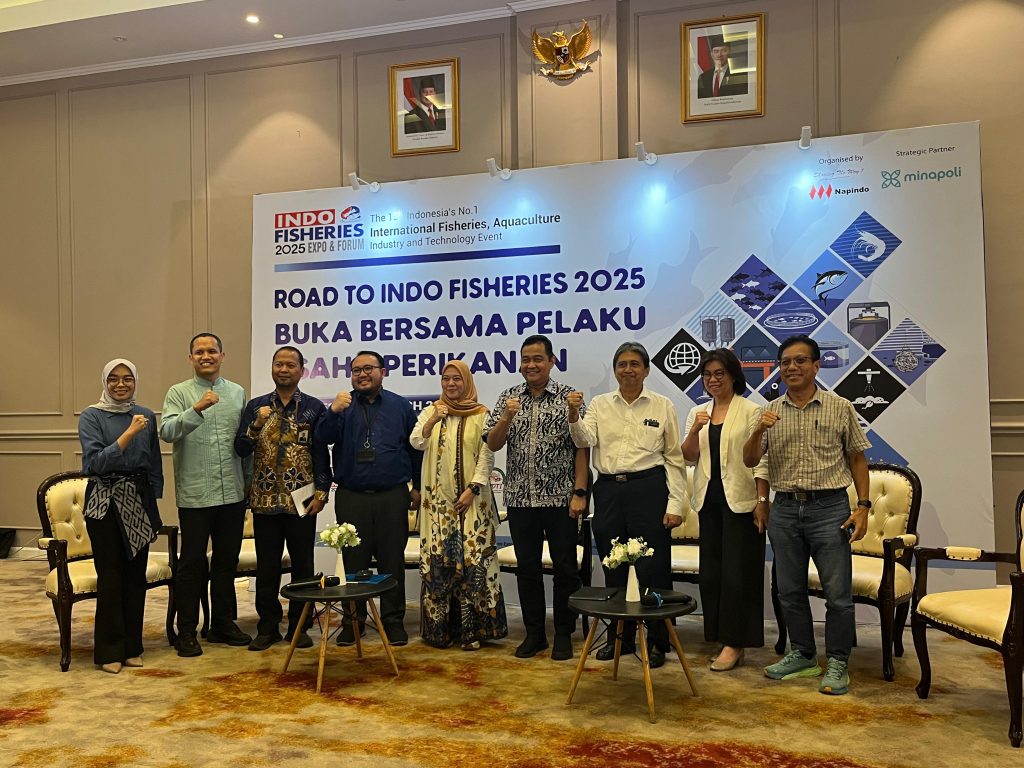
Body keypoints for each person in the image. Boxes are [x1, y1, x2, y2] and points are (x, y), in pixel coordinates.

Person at [742, 334, 871, 696]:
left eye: (800, 361)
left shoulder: (839, 407)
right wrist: (759, 429)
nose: (792, 367)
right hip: (784, 508)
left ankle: (838, 661)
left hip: (829, 509)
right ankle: (802, 654)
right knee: (789, 590)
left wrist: (863, 506)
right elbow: (750, 460)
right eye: (785, 362)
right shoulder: (769, 411)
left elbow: (857, 458)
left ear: (816, 366)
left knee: (838, 594)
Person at [568, 341, 685, 669]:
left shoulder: (662, 405)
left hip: (649, 490)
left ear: (646, 370)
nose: (628, 370)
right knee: (614, 567)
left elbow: (674, 458)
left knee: (653, 569)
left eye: (635, 364)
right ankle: (620, 637)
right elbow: (584, 439)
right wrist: (574, 415)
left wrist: (676, 504)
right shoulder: (600, 404)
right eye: (622, 364)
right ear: (615, 370)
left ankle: (659, 640)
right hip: (608, 492)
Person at [485, 334, 589, 661]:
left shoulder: (569, 398)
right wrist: (506, 417)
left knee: (565, 569)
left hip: (560, 499)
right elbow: (493, 444)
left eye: (538, 359)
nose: (531, 365)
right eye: (526, 359)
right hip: (520, 499)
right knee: (527, 569)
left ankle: (563, 633)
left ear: (551, 361)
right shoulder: (508, 398)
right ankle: (534, 634)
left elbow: (582, 447)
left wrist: (580, 492)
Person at [315, 350, 421, 646]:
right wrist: (332, 411)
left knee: (392, 560)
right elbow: (322, 438)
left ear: (382, 372)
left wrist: (417, 486)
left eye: (368, 369)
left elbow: (415, 449)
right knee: (353, 562)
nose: (362, 374)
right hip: (352, 496)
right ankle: (353, 622)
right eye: (356, 370)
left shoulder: (400, 406)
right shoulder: (343, 405)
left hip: (392, 496)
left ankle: (392, 621)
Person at [234, 346, 331, 652]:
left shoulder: (313, 408)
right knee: (267, 568)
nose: (284, 369)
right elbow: (240, 448)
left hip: (302, 499)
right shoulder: (256, 406)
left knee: (303, 565)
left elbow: (321, 452)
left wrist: (322, 492)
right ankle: (267, 628)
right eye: (279, 364)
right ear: (272, 368)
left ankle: (299, 627)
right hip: (264, 499)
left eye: (290, 365)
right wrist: (256, 425)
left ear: (302, 370)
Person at [160, 332, 251, 657]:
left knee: (226, 562)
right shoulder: (178, 392)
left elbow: (245, 443)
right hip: (196, 495)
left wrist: (248, 482)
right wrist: (196, 409)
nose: (206, 356)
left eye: (212, 350)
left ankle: (222, 624)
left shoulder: (237, 393)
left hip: (232, 495)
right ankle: (187, 631)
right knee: (192, 564)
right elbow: (167, 432)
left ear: (222, 356)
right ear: (191, 358)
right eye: (199, 351)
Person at [681, 349, 769, 672]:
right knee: (713, 575)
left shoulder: (751, 410)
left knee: (738, 575)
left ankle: (736, 643)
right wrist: (694, 430)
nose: (713, 380)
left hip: (742, 503)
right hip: (709, 502)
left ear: (733, 375)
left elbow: (761, 460)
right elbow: (688, 456)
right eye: (707, 374)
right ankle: (721, 637)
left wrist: (762, 501)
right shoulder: (698, 412)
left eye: (719, 373)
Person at [411, 360, 508, 650]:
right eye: (446, 379)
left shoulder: (481, 414)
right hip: (437, 506)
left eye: (457, 379)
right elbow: (416, 442)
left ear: (467, 382)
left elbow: (487, 454)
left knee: (473, 562)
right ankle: (441, 632)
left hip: (473, 502)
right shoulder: (431, 411)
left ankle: (474, 632)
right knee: (441, 563)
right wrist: (432, 420)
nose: (451, 384)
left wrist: (473, 488)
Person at [78, 359, 163, 674]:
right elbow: (94, 464)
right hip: (104, 504)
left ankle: (132, 647)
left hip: (138, 501)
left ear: (135, 381)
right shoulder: (92, 415)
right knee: (111, 577)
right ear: (105, 382)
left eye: (127, 379)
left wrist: (153, 502)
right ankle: (109, 651)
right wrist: (128, 433)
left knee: (135, 577)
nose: (121, 384)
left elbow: (153, 462)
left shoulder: (146, 414)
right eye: (113, 379)